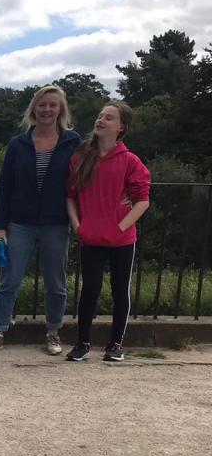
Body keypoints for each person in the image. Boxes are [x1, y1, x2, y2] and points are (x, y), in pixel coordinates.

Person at [0, 85, 81, 356]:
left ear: (60, 110)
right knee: (10, 280)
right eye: (42, 104)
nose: (47, 109)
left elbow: (86, 178)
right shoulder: (18, 144)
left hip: (56, 222)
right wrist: (0, 227)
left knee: (55, 282)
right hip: (20, 222)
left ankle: (53, 331)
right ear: (34, 109)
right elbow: (5, 187)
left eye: (52, 104)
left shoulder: (73, 142)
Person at [65, 101, 150, 362]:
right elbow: (70, 196)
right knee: (89, 289)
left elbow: (142, 201)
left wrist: (119, 228)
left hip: (122, 239)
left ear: (122, 127)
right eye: (100, 115)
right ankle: (82, 343)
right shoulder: (81, 158)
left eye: (109, 118)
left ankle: (116, 344)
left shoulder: (130, 161)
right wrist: (78, 226)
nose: (100, 120)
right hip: (91, 236)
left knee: (120, 290)